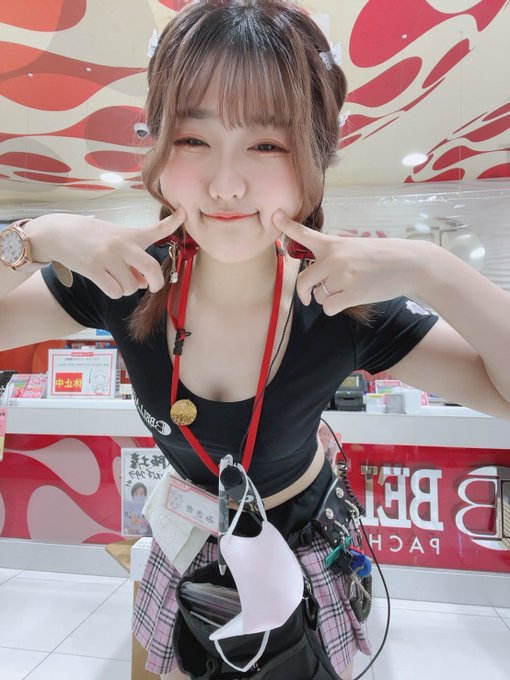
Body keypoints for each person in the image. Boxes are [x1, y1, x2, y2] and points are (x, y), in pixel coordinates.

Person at [0, 1, 509, 678]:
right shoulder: (123, 281)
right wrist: (34, 237)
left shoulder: (341, 301)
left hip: (301, 545)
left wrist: (434, 268)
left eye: (267, 145)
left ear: (315, 155)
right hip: (186, 540)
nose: (226, 184)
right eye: (192, 139)